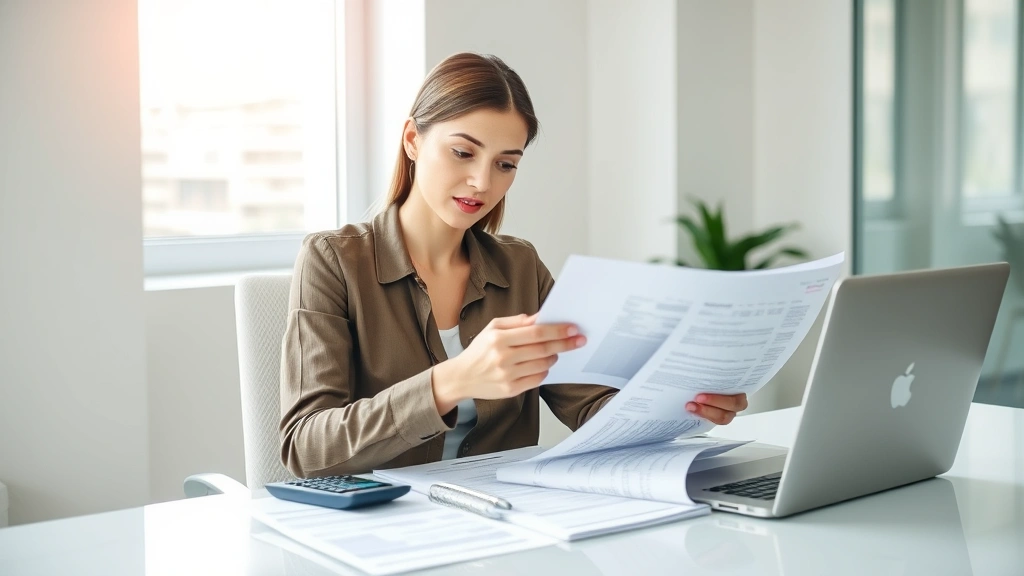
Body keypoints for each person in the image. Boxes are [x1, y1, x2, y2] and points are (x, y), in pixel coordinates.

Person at [279, 52, 747, 478]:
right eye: (463, 152)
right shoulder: (333, 261)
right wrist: (452, 381)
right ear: (412, 141)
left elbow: (589, 404)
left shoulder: (520, 266)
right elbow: (307, 447)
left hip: (505, 520)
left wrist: (683, 405)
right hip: (381, 530)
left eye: (506, 164)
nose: (481, 181)